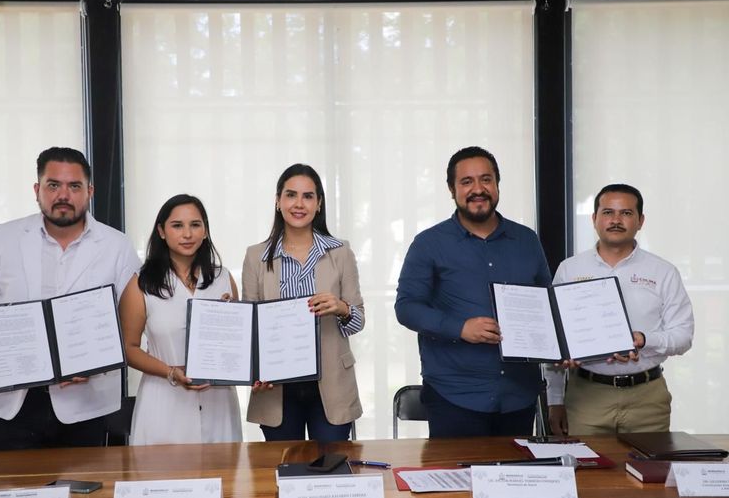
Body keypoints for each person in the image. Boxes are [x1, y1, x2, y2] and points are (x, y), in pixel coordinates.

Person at [0, 147, 140, 451]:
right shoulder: (4, 237)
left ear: (89, 191)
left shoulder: (117, 246)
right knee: (4, 496)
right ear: (37, 190)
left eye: (74, 186)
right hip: (10, 402)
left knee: (82, 497)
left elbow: (131, 319)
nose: (63, 195)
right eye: (53, 185)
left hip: (84, 407)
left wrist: (97, 362)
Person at [395, 146, 552, 438]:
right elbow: (406, 307)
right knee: (457, 483)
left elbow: (547, 305)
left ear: (497, 184)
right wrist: (460, 328)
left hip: (519, 395)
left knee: (518, 481)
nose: (478, 189)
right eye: (466, 182)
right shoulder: (429, 243)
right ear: (451, 189)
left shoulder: (527, 240)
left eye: (486, 179)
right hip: (454, 396)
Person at [546, 184, 694, 435]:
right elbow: (555, 340)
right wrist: (555, 401)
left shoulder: (663, 271)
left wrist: (644, 340)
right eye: (607, 213)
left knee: (649, 473)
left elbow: (683, 336)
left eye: (626, 213)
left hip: (647, 398)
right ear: (594, 219)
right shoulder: (569, 270)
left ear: (640, 220)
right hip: (586, 397)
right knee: (588, 472)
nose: (615, 220)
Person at [242, 163, 364, 442]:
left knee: (331, 473)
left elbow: (358, 321)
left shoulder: (341, 252)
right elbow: (252, 327)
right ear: (277, 201)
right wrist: (254, 369)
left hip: (331, 385)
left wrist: (341, 308)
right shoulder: (255, 256)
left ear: (319, 204)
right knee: (283, 473)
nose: (299, 204)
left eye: (308, 196)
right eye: (291, 195)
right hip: (276, 389)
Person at [119, 194, 242, 445]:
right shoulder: (140, 284)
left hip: (218, 401)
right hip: (164, 400)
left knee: (223, 480)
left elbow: (238, 344)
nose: (187, 234)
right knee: (163, 478)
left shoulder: (223, 279)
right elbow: (128, 349)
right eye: (177, 225)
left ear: (205, 231)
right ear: (162, 231)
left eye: (195, 225)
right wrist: (171, 372)